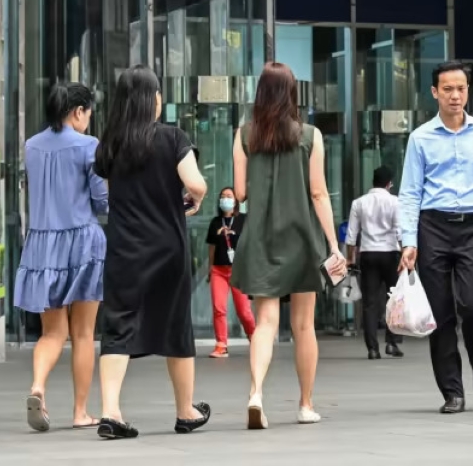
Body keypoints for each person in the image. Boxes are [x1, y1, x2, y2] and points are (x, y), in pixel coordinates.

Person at [93, 65, 210, 440]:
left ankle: (110, 411)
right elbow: (196, 182)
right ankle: (185, 411)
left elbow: (112, 194)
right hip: (168, 249)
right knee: (176, 326)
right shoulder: (173, 138)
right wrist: (194, 197)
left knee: (117, 327)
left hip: (125, 248)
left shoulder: (109, 145)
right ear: (154, 100)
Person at [397, 60, 473, 414]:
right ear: (435, 92)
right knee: (441, 313)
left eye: (460, 88)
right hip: (432, 226)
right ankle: (452, 391)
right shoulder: (420, 137)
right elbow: (410, 193)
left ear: (468, 91)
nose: (454, 95)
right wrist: (409, 240)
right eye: (447, 89)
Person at [231, 62, 346, 429]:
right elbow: (318, 192)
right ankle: (305, 404)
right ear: (292, 92)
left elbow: (242, 192)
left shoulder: (244, 135)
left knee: (265, 322)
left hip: (261, 236)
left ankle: (255, 394)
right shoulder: (310, 136)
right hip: (301, 237)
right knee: (303, 326)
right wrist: (333, 243)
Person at [14, 83, 107, 432]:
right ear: (78, 111)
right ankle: (81, 411)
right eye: (88, 113)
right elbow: (100, 199)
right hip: (82, 241)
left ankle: (38, 386)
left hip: (42, 245)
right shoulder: (89, 146)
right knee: (83, 333)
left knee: (52, 333)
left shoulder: (31, 146)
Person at [346, 166, 403, 360]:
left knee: (370, 303)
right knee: (394, 299)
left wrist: (350, 259)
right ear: (388, 184)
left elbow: (352, 236)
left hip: (368, 254)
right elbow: (399, 231)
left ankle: (372, 348)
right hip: (391, 254)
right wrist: (406, 254)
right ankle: (392, 342)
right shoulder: (395, 202)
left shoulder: (359, 203)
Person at [205, 187, 256, 359]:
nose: (225, 199)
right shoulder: (215, 222)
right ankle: (221, 345)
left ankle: (255, 338)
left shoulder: (244, 220)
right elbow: (211, 247)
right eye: (222, 196)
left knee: (244, 311)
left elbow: (251, 244)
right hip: (219, 270)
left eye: (229, 196)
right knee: (219, 308)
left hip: (239, 270)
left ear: (236, 201)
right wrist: (210, 269)